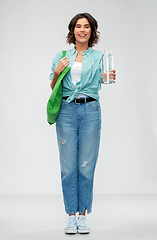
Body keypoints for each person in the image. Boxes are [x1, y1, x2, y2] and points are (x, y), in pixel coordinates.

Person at [49, 12, 116, 234]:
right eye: (78, 26)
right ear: (73, 30)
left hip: (90, 110)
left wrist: (108, 75)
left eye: (86, 26)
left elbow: (104, 79)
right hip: (66, 111)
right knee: (68, 167)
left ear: (92, 31)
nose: (82, 30)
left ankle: (83, 216)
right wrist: (57, 72)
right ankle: (70, 216)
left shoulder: (98, 57)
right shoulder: (61, 56)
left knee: (86, 165)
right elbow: (54, 88)